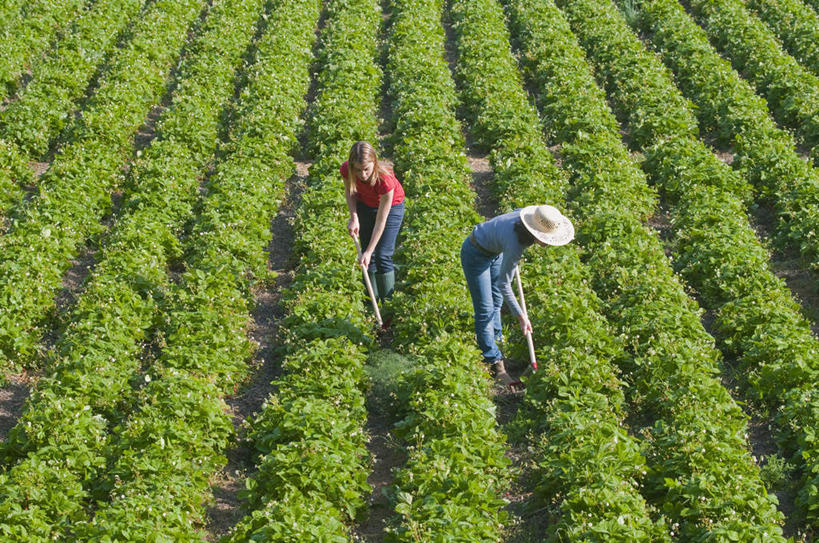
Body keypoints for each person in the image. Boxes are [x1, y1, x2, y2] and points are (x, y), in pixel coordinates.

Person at [460, 205, 574, 390]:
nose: (548, 243)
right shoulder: (515, 245)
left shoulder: (526, 220)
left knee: (497, 302)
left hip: (494, 253)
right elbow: (504, 284)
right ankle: (494, 363)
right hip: (475, 253)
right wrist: (521, 316)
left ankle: (498, 348)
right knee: (485, 309)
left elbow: (517, 211)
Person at [341, 141, 405, 307]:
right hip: (365, 204)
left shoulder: (385, 180)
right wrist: (353, 217)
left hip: (392, 208)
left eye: (366, 169)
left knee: (382, 254)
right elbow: (350, 192)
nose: (362, 174)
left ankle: (388, 307)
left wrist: (369, 251)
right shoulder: (346, 170)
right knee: (367, 258)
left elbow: (381, 221)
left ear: (374, 163)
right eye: (358, 170)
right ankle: (372, 304)